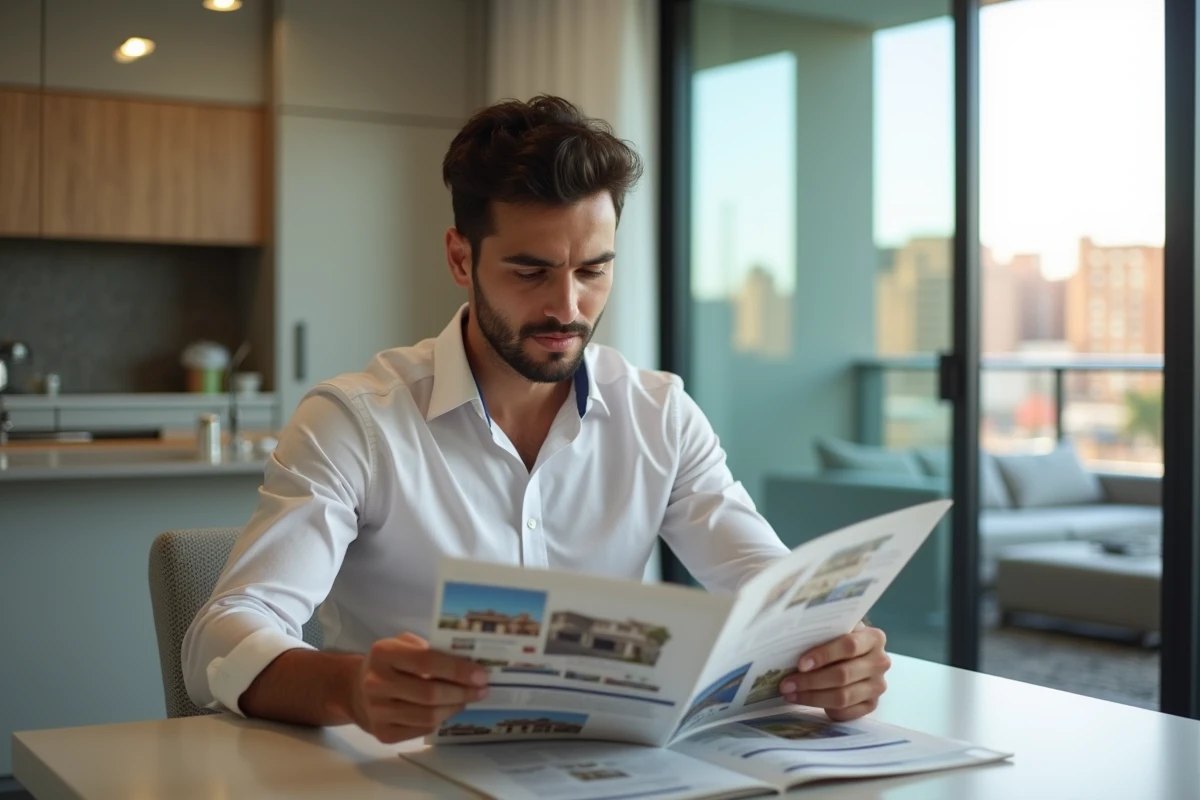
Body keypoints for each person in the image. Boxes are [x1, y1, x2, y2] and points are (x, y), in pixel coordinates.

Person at [182, 95, 891, 745]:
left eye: (593, 270)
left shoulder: (660, 417)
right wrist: (349, 686)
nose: (568, 307)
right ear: (461, 257)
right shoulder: (355, 422)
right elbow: (220, 636)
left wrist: (834, 651)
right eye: (531, 272)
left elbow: (774, 593)